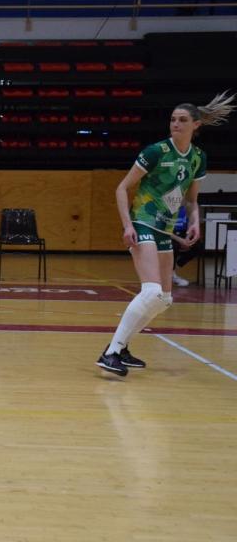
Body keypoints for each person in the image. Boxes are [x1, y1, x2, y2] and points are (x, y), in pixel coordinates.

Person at [97, 92, 234, 376]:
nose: (176, 124)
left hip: (166, 229)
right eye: (173, 119)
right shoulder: (156, 151)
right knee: (152, 291)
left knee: (164, 299)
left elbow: (192, 199)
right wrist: (128, 225)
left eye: (182, 120)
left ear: (196, 125)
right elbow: (121, 188)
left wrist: (195, 222)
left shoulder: (197, 158)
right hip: (144, 222)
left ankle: (122, 348)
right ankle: (111, 352)